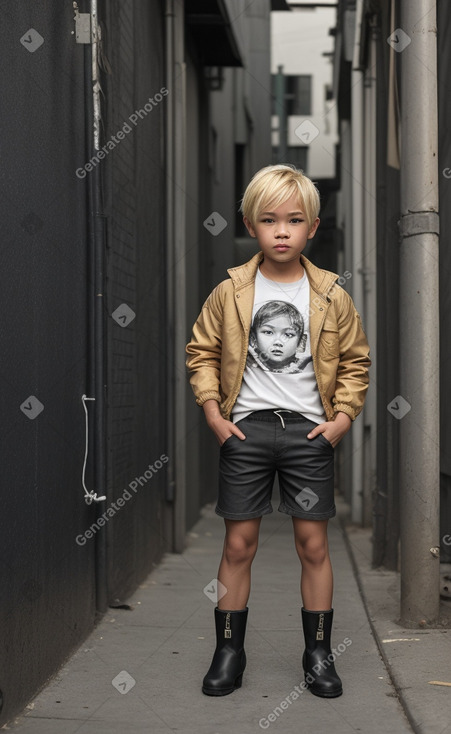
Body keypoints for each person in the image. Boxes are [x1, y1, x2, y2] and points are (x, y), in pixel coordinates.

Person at [185, 164, 370, 699]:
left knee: (313, 544)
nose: (282, 231)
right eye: (269, 220)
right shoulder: (231, 292)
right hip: (245, 434)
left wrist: (339, 421)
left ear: (313, 226)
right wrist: (215, 415)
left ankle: (317, 655)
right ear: (250, 224)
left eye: (294, 220)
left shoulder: (332, 294)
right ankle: (227, 652)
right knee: (238, 544)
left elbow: (356, 362)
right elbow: (202, 351)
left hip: (309, 437)